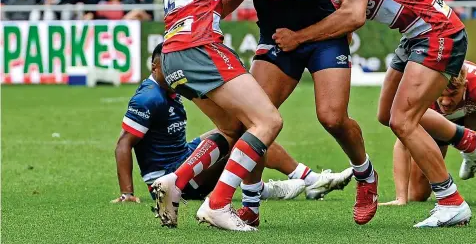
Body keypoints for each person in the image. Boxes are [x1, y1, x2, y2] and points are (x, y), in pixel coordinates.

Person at [150, 0, 339, 232]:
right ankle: (218, 204)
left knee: (231, 127)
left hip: (172, 54)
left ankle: (175, 181)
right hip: (201, 47)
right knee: (267, 122)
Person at [273, 0, 474, 227]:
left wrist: (298, 38)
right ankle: (468, 141)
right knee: (386, 115)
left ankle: (451, 201)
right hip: (415, 34)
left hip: (436, 32)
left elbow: (353, 18)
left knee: (404, 121)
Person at [227, 0, 379, 227]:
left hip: (323, 35)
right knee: (251, 122)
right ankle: (250, 206)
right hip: (277, 39)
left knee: (332, 118)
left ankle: (365, 176)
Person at [114, 43, 350, 204]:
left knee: (241, 128)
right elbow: (123, 144)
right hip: (172, 176)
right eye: (169, 68)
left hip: (183, 156)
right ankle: (277, 187)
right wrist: (127, 194)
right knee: (246, 132)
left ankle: (300, 180)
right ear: (156, 67)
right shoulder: (149, 97)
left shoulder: (171, 89)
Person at [383, 61, 476, 207]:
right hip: (438, 125)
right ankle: (472, 144)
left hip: (475, 117)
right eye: (441, 94)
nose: (446, 102)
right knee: (417, 194)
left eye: (453, 94)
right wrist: (400, 197)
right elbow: (402, 142)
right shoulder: (421, 91)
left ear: (465, 86)